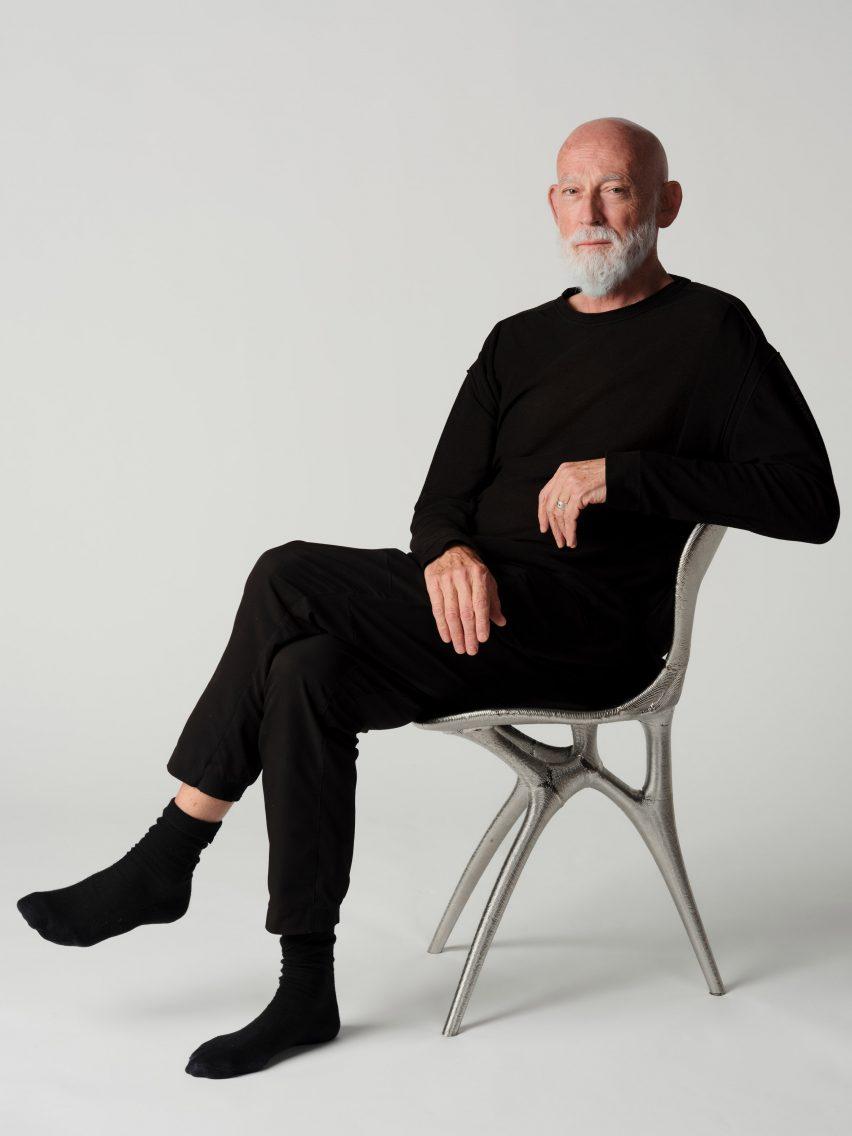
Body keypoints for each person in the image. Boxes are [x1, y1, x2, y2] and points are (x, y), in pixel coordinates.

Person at [16, 116, 840, 1079]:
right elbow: (440, 501)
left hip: (597, 635)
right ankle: (305, 987)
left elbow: (810, 502)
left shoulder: (713, 333)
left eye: (616, 189)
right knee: (307, 669)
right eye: (572, 191)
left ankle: (170, 854)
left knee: (287, 573)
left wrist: (625, 474)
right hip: (480, 617)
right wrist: (447, 553)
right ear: (551, 204)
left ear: (666, 203)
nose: (591, 211)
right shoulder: (517, 342)